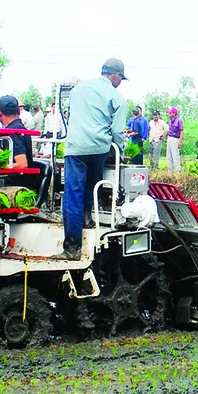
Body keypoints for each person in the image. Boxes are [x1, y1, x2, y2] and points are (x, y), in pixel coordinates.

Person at [54, 58, 128, 260]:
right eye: (120, 79)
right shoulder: (118, 98)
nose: (119, 82)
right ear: (115, 75)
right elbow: (118, 131)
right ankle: (87, 218)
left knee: (73, 193)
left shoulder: (78, 89)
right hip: (100, 148)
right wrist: (121, 150)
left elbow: (69, 116)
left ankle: (72, 248)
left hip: (76, 147)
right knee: (91, 185)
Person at [0, 96, 32, 168]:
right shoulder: (22, 128)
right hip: (25, 178)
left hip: (14, 178)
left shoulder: (12, 133)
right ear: (18, 111)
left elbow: (22, 164)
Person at [166, 106, 183, 172]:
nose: (169, 114)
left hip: (175, 139)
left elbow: (181, 131)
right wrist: (164, 136)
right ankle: (170, 171)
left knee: (175, 156)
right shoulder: (170, 121)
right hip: (169, 138)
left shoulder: (179, 121)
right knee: (169, 156)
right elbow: (169, 131)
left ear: (174, 113)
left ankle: (177, 171)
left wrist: (180, 142)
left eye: (170, 112)